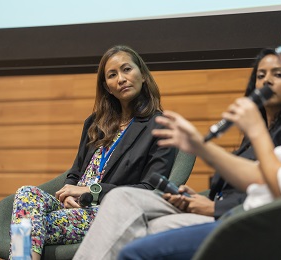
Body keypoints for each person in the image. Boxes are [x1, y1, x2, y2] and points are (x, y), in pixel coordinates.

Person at [117, 13, 281, 259]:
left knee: (134, 251)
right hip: (256, 220)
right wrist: (200, 146)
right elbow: (264, 173)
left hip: (267, 232)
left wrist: (256, 129)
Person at [73, 48, 281, 260]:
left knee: (135, 217)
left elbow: (279, 190)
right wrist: (200, 199)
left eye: (278, 74)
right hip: (219, 207)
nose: (267, 81)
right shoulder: (259, 131)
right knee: (132, 216)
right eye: (261, 75)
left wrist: (214, 208)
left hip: (242, 217)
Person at [9, 45, 176, 260]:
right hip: (72, 205)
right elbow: (75, 172)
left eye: (127, 70)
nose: (121, 79)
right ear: (107, 87)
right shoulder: (96, 123)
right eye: (112, 75)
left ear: (142, 75)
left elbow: (149, 189)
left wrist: (92, 192)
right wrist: (68, 194)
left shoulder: (160, 126)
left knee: (25, 224)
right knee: (26, 193)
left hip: (107, 211)